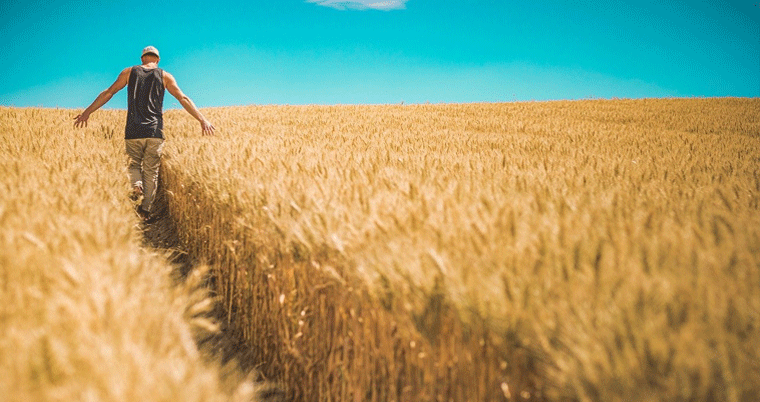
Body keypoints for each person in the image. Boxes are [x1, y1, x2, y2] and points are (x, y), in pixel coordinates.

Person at [74, 46, 214, 221]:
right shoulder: (165, 76)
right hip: (155, 131)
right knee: (151, 172)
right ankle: (145, 211)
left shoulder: (128, 72)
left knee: (133, 166)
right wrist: (202, 120)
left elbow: (108, 93)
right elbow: (182, 98)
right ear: (158, 59)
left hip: (133, 130)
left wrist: (87, 112)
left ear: (142, 58)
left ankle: (136, 185)